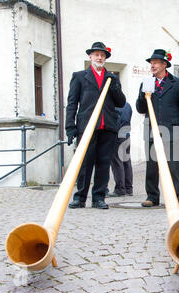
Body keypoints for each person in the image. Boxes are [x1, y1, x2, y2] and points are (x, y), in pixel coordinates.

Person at [65, 42, 126, 209]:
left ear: (105, 58)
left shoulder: (111, 77)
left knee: (103, 163)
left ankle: (99, 197)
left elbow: (121, 102)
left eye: (102, 55)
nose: (99, 57)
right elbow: (72, 103)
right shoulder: (79, 76)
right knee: (85, 163)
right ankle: (80, 197)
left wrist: (115, 86)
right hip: (87, 127)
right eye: (96, 54)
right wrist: (70, 127)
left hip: (107, 127)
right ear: (90, 57)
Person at [136, 49, 179, 210]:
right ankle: (152, 196)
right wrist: (142, 94)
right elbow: (140, 109)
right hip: (151, 130)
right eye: (151, 63)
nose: (152, 65)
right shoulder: (146, 83)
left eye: (155, 62)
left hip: (171, 130)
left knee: (173, 166)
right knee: (152, 165)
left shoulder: (177, 84)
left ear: (164, 64)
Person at [108, 102, 133, 197]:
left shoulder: (114, 105)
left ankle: (120, 189)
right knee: (126, 161)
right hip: (126, 134)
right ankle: (129, 188)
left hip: (117, 135)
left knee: (117, 162)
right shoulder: (127, 105)